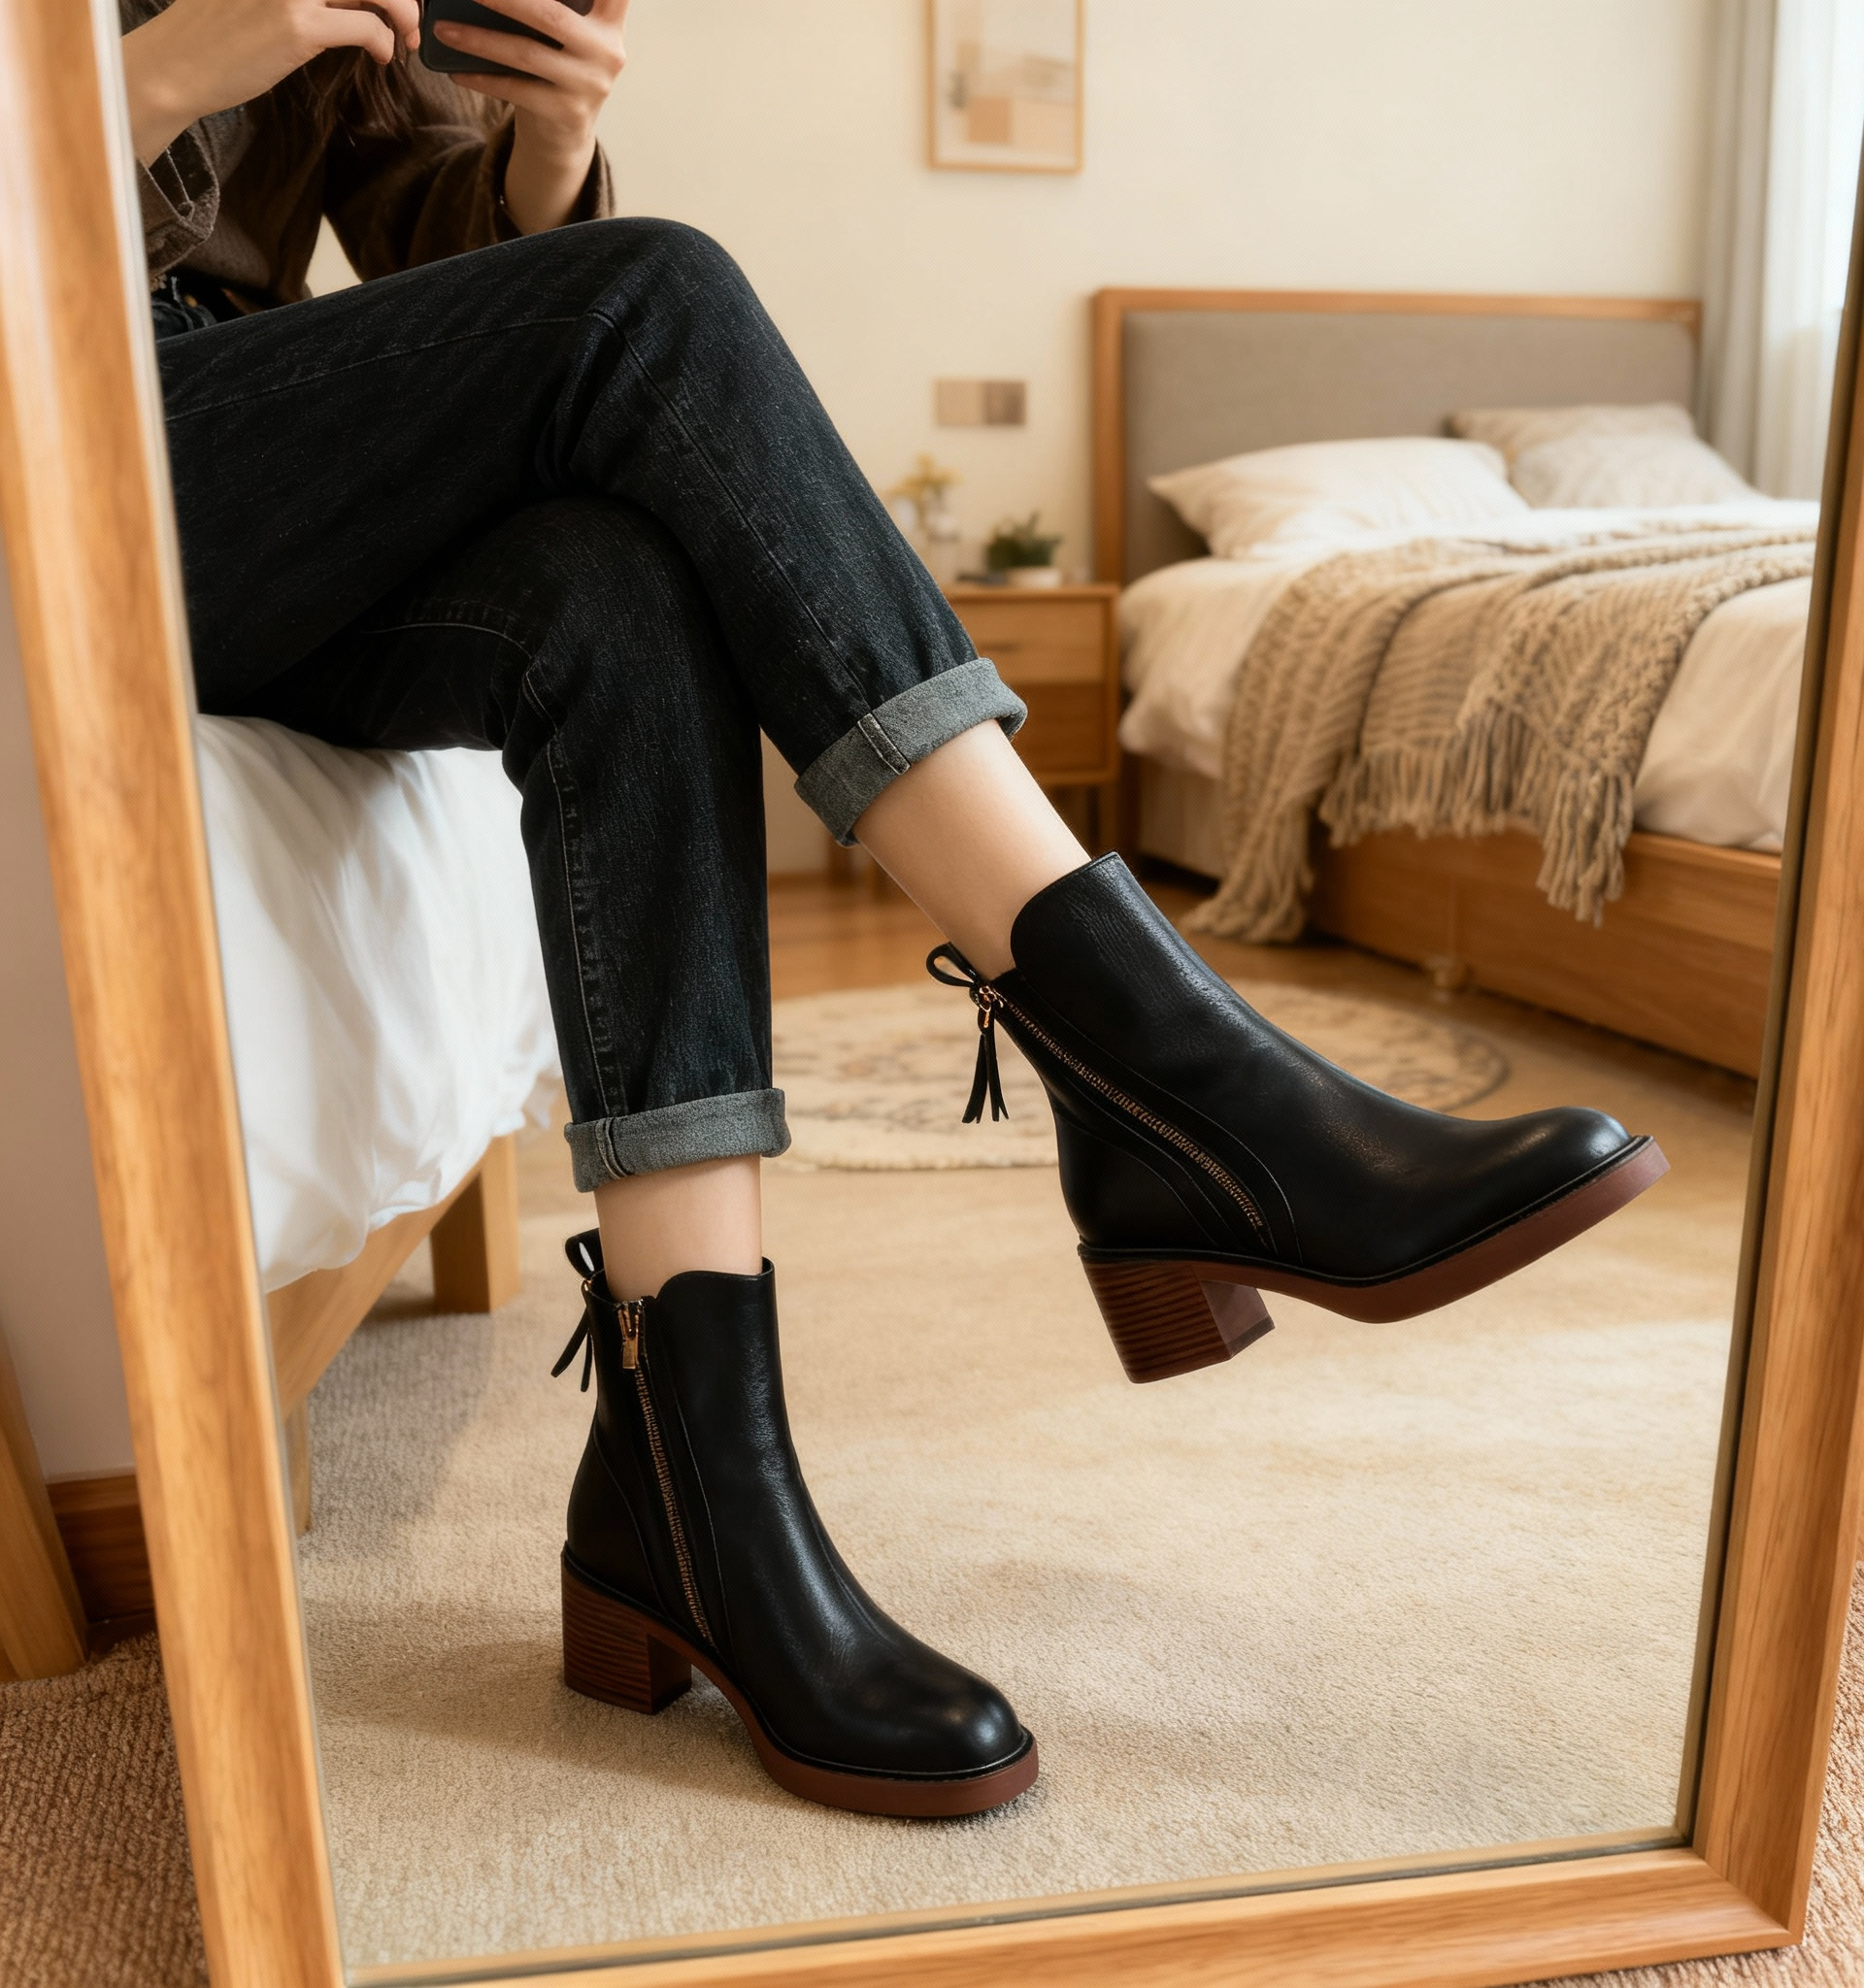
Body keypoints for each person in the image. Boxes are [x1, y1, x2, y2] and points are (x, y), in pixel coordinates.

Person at [121, 0, 1664, 1820]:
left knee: (612, 592)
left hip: (264, 448)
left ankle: (686, 1487)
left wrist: (544, 145)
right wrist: (150, 72)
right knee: (656, 291)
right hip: (65, 414)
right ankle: (1167, 1079)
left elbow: (448, 296)